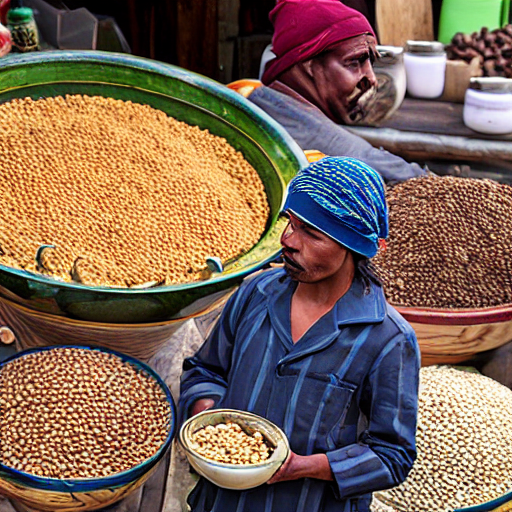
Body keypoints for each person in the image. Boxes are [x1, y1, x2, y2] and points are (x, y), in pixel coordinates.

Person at [179, 157, 421, 512]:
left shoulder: (387, 339)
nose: (288, 240)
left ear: (350, 245)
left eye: (312, 232)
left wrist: (302, 467)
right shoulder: (255, 293)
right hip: (222, 501)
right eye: (289, 222)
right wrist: (211, 418)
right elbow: (206, 370)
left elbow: (392, 455)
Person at [245, 0, 427, 183]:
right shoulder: (275, 112)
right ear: (309, 64)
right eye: (354, 62)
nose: (371, 79)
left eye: (370, 63)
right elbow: (364, 157)